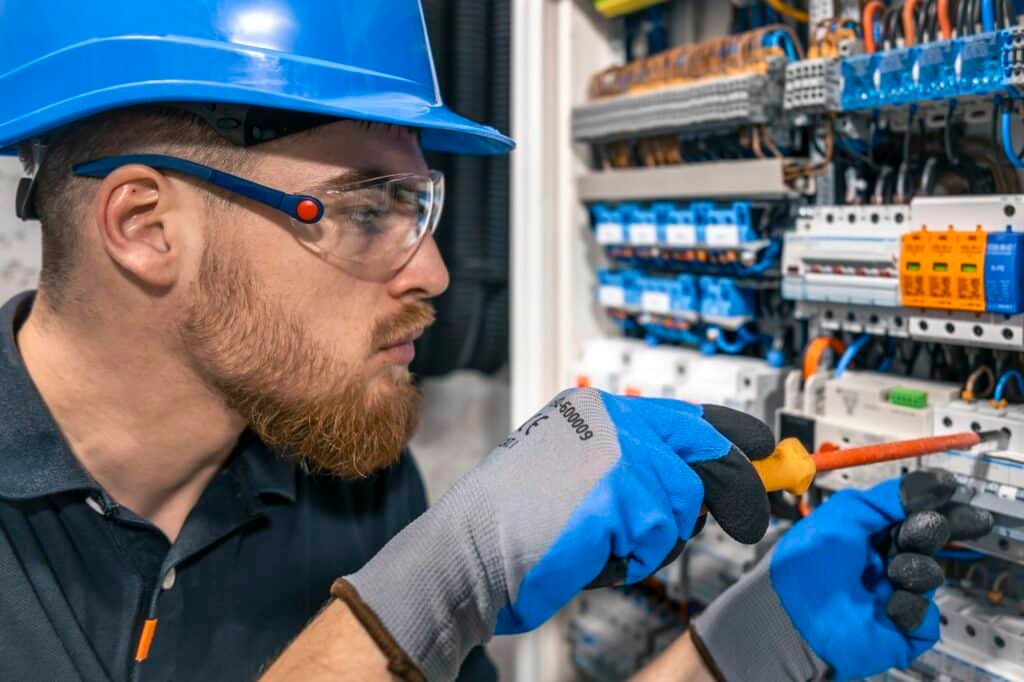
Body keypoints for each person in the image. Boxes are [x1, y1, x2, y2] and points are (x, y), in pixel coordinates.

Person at [0, 2, 993, 681]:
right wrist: (426, 594)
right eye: (365, 207)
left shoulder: (347, 488)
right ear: (143, 226)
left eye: (419, 203)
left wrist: (742, 649)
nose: (431, 272)